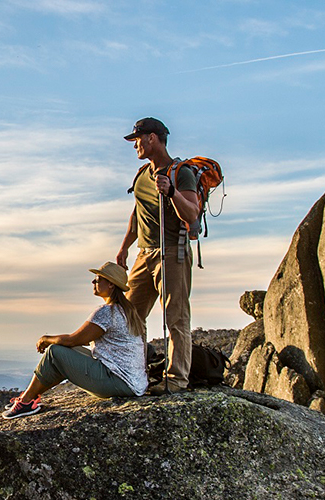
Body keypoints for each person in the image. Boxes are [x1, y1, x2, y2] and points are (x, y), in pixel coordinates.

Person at [115, 117, 200, 395]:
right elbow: (137, 214)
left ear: (152, 138)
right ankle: (133, 372)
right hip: (144, 254)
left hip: (172, 252)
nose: (135, 145)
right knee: (130, 315)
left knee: (175, 317)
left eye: (137, 139)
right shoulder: (141, 176)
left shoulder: (181, 173)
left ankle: (176, 380)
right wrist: (125, 247)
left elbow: (192, 214)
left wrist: (172, 191)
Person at [2, 262, 149, 419]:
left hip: (118, 382)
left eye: (98, 279)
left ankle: (25, 401)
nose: (93, 282)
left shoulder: (107, 312)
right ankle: (29, 398)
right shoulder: (125, 311)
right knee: (63, 352)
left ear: (111, 285)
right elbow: (81, 340)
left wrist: (46, 339)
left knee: (55, 352)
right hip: (132, 383)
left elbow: (74, 339)